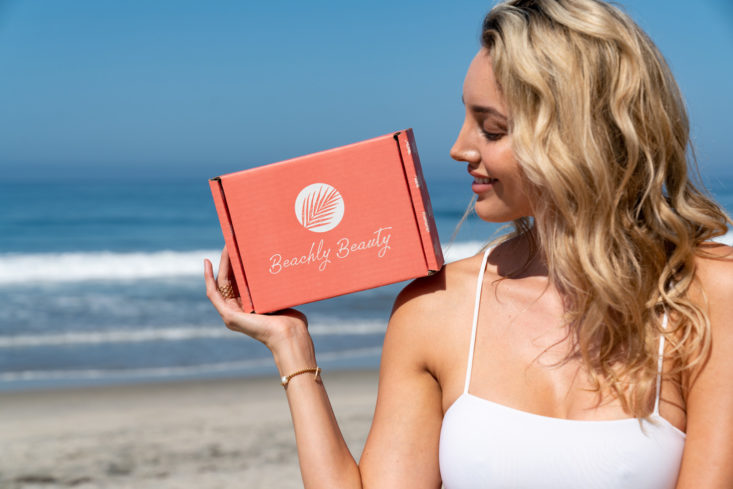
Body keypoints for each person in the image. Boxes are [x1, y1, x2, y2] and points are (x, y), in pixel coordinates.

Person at [204, 0, 733, 487]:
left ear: (579, 138)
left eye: (493, 129)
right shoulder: (436, 308)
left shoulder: (710, 296)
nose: (459, 148)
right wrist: (291, 345)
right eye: (467, 118)